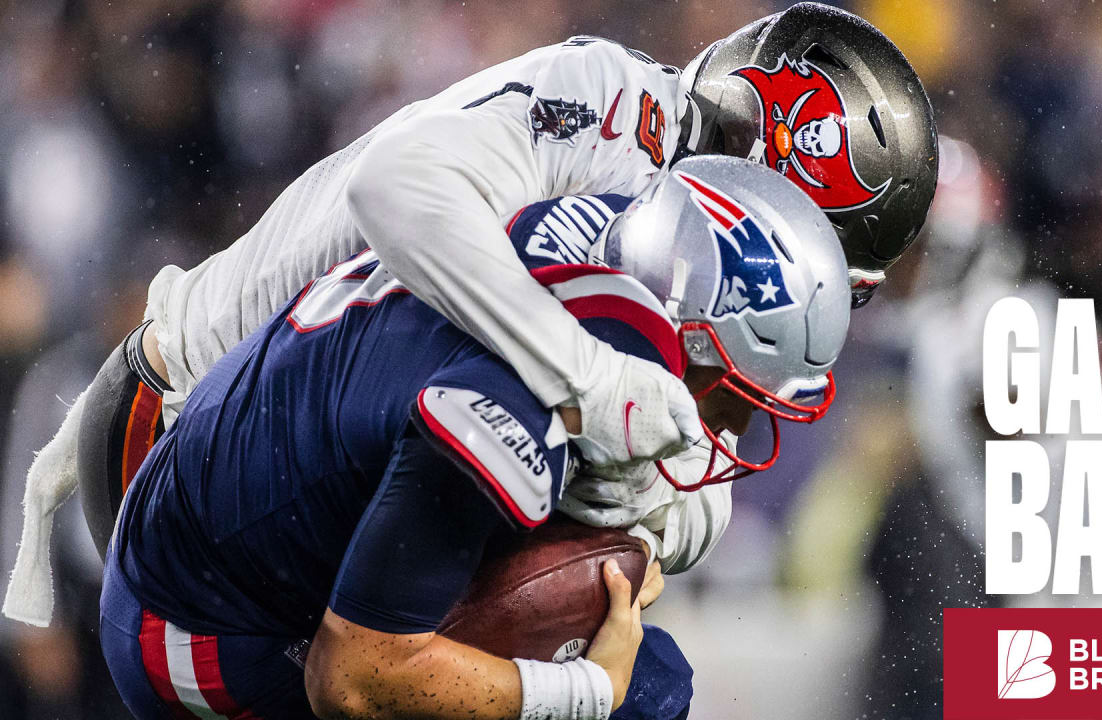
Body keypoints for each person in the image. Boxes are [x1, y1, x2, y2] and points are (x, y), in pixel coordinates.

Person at [4, 2, 936, 626]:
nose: (805, 284)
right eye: (817, 249)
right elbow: (398, 187)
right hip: (181, 427)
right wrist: (588, 380)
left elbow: (702, 498)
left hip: (300, 454)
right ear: (757, 147)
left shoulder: (680, 241)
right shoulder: (611, 113)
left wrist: (649, 492)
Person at [97, 155, 851, 720]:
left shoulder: (608, 238)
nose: (736, 428)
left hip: (241, 504)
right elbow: (352, 678)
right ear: (692, 344)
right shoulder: (515, 414)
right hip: (200, 627)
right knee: (631, 699)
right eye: (742, 398)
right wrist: (584, 691)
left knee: (651, 681)